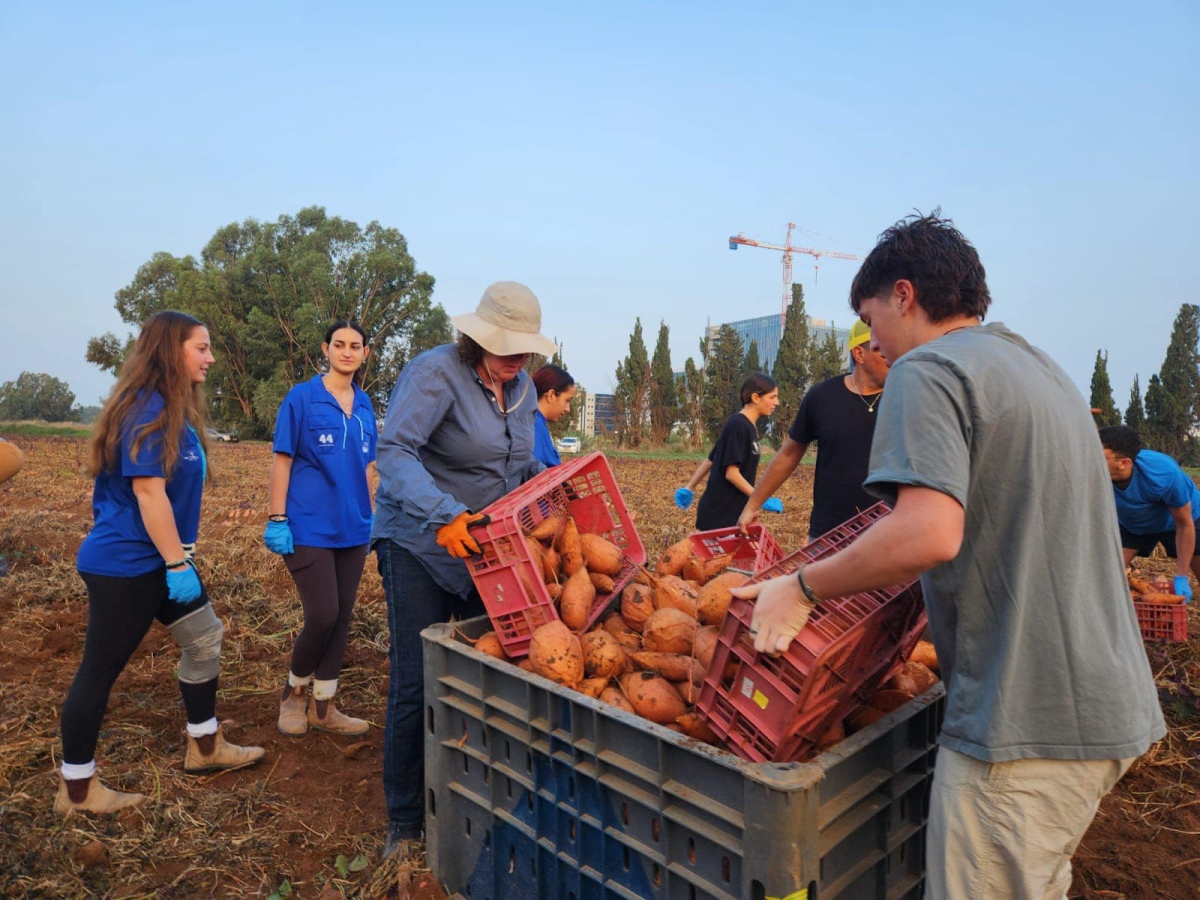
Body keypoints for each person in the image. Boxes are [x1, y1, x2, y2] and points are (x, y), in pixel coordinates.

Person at [735, 213, 1164, 899]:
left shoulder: (929, 368)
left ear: (903, 294)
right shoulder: (1036, 368)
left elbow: (928, 533)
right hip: (1103, 700)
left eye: (869, 317)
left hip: (1025, 723)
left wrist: (804, 587)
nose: (870, 340)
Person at [372, 281, 554, 858]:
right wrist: (446, 515)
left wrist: (547, 494)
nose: (516, 358)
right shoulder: (435, 373)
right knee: (416, 678)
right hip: (420, 544)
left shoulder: (523, 388)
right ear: (476, 338)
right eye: (506, 346)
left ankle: (468, 792)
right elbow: (394, 453)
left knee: (482, 673)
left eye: (524, 348)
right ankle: (404, 822)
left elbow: (516, 466)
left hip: (485, 551)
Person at [58, 310, 265, 816]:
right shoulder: (146, 411)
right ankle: (77, 792)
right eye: (202, 347)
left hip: (159, 562)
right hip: (128, 566)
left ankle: (205, 745)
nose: (210, 357)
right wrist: (177, 565)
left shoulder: (170, 408)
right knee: (98, 672)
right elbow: (149, 495)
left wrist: (178, 560)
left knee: (204, 636)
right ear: (171, 350)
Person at [265, 321, 379, 737]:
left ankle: (324, 705)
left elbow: (368, 467)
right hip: (309, 527)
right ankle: (294, 692)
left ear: (366, 353)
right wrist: (278, 518)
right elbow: (283, 461)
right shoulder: (301, 399)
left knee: (343, 616)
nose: (347, 352)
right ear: (325, 349)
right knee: (322, 614)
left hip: (353, 528)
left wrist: (371, 517)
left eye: (355, 346)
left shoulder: (365, 405)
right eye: (339, 345)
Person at [738, 320, 891, 539]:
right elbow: (788, 455)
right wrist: (753, 505)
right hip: (829, 537)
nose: (894, 358)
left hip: (889, 536)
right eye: (883, 351)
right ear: (860, 353)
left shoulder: (904, 396)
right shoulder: (823, 397)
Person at [1098, 424, 1198, 601]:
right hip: (1134, 523)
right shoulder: (1094, 476)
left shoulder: (1163, 474)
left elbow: (1184, 523)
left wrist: (1181, 577)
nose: (1092, 459)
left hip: (1178, 521)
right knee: (1106, 578)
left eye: (1100, 456)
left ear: (1124, 463)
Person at [675, 373, 781, 530]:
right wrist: (760, 499)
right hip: (720, 514)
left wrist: (689, 487)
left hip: (734, 511)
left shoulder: (748, 427)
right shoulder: (738, 425)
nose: (776, 402)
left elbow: (712, 458)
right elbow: (731, 474)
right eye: (772, 397)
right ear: (756, 397)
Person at [531, 364, 576, 468]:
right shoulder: (535, 427)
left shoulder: (534, 422)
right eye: (567, 400)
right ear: (551, 395)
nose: (567, 409)